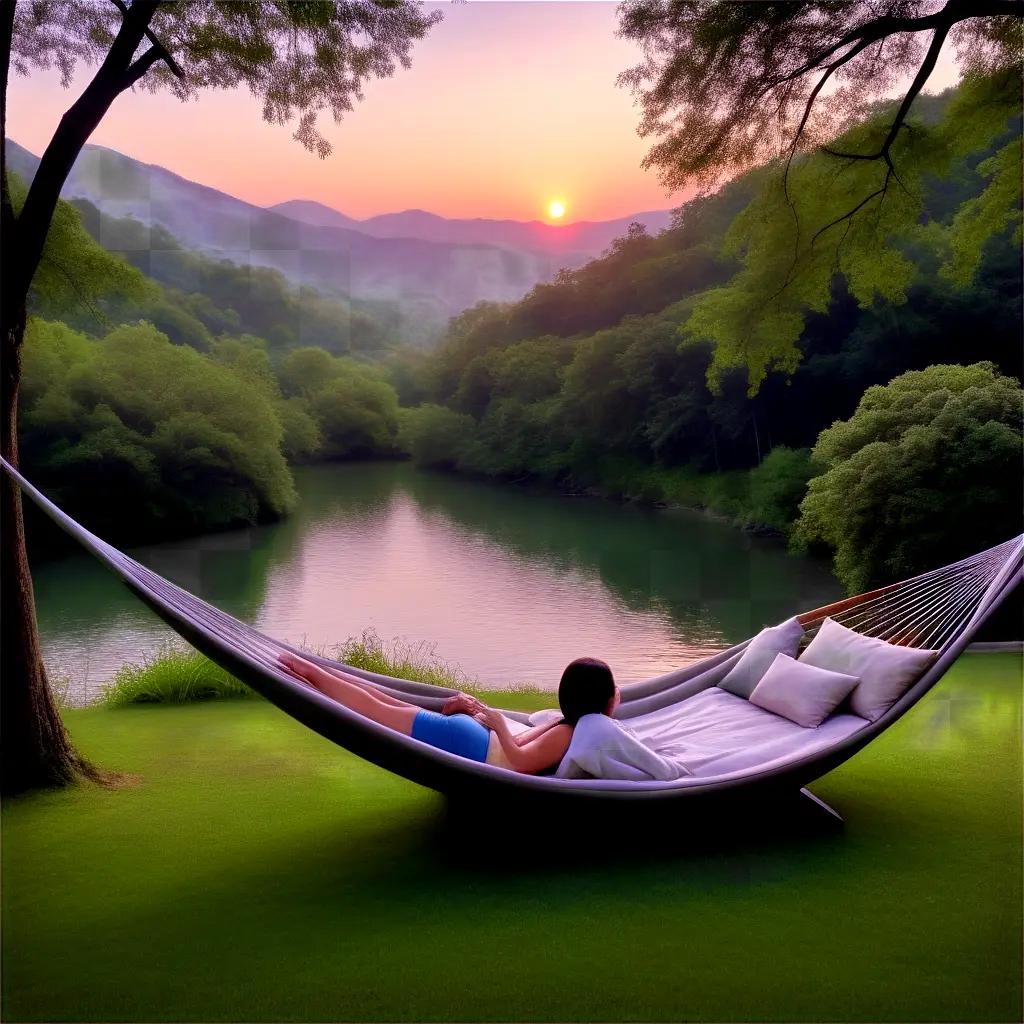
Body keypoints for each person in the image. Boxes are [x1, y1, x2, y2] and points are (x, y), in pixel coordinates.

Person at [276, 652, 620, 775]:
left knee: (383, 703)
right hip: (473, 744)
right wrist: (494, 720)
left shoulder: (568, 727)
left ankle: (315, 671)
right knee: (378, 707)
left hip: (473, 740)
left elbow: (520, 753)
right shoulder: (571, 731)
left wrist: (493, 721)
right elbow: (520, 760)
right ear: (602, 700)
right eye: (613, 690)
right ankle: (315, 673)